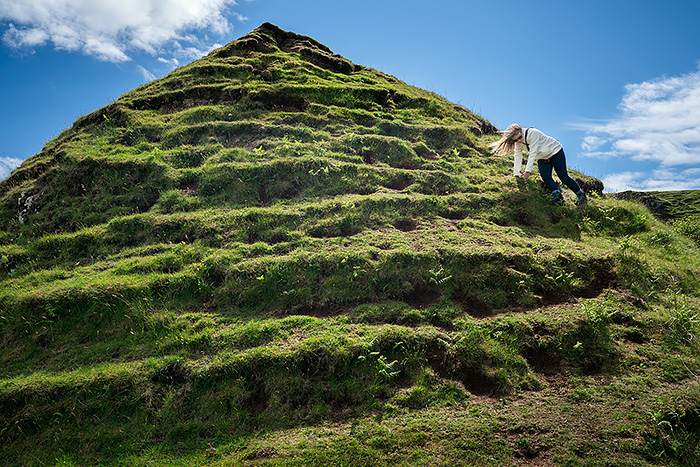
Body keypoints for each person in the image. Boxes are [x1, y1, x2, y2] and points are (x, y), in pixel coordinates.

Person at [491, 124, 587, 205]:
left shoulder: (533, 133)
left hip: (555, 151)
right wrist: (516, 173)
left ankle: (581, 195)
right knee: (546, 177)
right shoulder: (518, 143)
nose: (518, 141)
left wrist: (527, 171)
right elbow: (517, 156)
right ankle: (557, 196)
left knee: (563, 177)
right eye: (515, 140)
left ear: (522, 131)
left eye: (519, 137)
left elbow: (533, 152)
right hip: (542, 157)